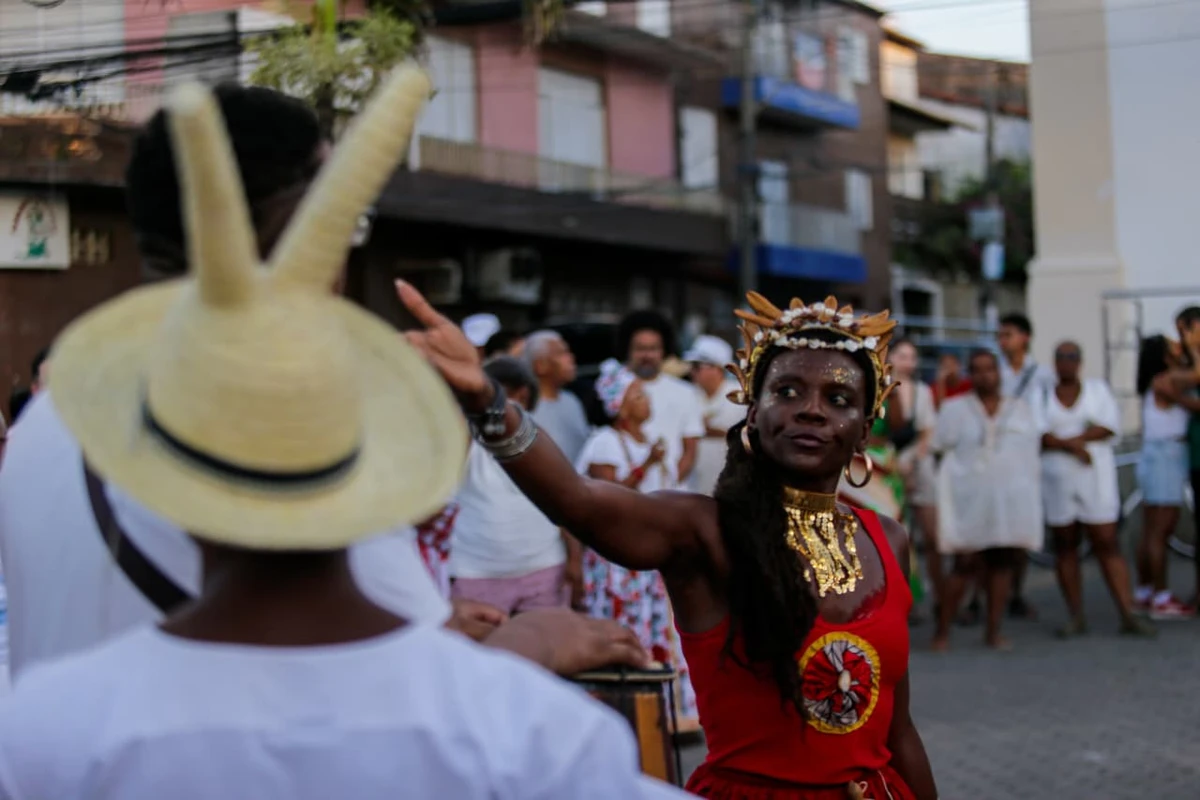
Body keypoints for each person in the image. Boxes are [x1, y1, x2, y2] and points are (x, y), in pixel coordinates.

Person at [0, 75, 681, 799]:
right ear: (310, 226)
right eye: (349, 224)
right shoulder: (291, 419)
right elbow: (379, 709)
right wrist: (525, 649)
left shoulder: (50, 421)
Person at [401, 286, 938, 800]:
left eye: (838, 399)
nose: (812, 410)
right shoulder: (704, 530)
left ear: (864, 428)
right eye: (788, 392)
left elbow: (901, 731)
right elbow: (576, 499)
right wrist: (488, 401)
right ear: (754, 413)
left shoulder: (887, 538)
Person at [932, 349, 1044, 651]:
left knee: (1002, 562)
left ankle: (993, 631)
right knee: (964, 563)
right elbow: (939, 450)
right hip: (969, 500)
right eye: (978, 370)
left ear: (999, 373)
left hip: (1007, 501)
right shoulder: (954, 409)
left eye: (990, 369)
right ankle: (942, 632)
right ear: (970, 374)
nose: (985, 376)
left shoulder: (1020, 409)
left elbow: (1030, 456)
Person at [1040, 342, 1153, 637]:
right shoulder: (1041, 394)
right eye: (1061, 357)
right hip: (1057, 480)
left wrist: (1071, 442)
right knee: (1065, 544)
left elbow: (1109, 426)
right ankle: (1076, 616)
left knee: (1106, 541)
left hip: (1095, 477)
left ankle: (1127, 613)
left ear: (1080, 361)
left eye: (1072, 357)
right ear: (1054, 361)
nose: (1066, 362)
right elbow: (1038, 434)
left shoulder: (1097, 390)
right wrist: (1075, 446)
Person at [452, 357, 574, 614]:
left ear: (524, 396)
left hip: (544, 569)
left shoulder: (540, 438)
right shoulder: (463, 437)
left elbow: (565, 500)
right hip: (477, 574)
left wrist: (576, 559)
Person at [996, 313, 1053, 621]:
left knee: (1020, 532)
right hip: (996, 459)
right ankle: (983, 596)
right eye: (1000, 335)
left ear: (1024, 338)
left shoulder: (1042, 375)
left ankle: (1015, 593)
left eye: (1008, 335)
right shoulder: (995, 372)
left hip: (1026, 461)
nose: (1002, 341)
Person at [1133, 334, 1194, 619]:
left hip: (1156, 454)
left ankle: (1145, 591)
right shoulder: (1167, 380)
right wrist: (1192, 347)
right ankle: (1161, 596)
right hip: (1166, 456)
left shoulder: (1156, 382)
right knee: (1161, 530)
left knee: (1150, 530)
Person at [618, 310, 704, 490]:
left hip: (672, 495)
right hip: (624, 495)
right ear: (628, 350)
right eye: (640, 349)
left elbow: (690, 451)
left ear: (663, 351)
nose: (647, 355)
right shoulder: (613, 390)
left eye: (653, 349)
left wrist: (668, 489)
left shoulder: (686, 392)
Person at [887, 341, 940, 612]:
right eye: (902, 355)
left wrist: (909, 461)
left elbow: (927, 433)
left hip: (917, 463)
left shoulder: (922, 391)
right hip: (885, 466)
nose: (907, 362)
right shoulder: (879, 388)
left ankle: (939, 596)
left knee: (931, 535)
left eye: (912, 357)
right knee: (897, 535)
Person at [684, 334, 743, 496]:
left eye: (697, 366)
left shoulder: (739, 396)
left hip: (731, 487)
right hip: (695, 487)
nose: (691, 371)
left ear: (717, 369)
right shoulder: (688, 395)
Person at [524, 330, 591, 465]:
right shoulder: (526, 410)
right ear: (540, 366)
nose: (571, 358)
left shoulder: (572, 401)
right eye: (561, 353)